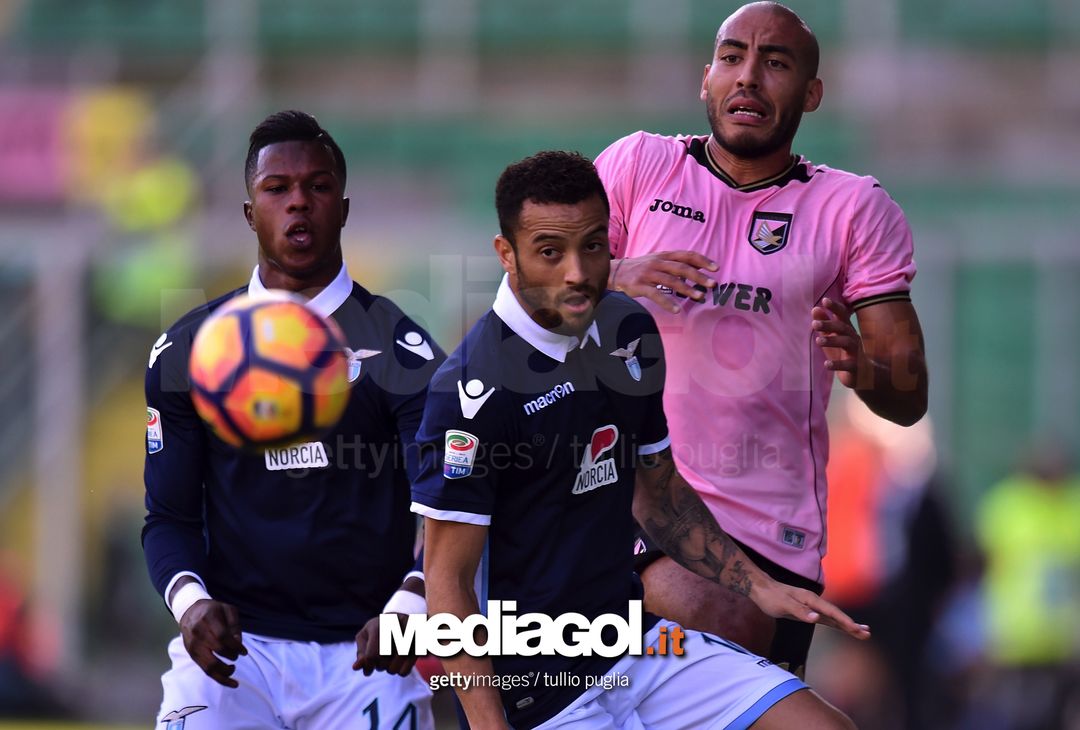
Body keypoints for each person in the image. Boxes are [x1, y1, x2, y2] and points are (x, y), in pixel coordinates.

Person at [411, 150, 868, 729]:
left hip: (634, 648)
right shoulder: (472, 391)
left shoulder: (625, 328)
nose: (577, 272)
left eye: (593, 246)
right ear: (507, 255)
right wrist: (487, 723)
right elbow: (447, 582)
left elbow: (659, 494)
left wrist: (760, 587)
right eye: (550, 252)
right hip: (540, 690)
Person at [594, 1, 928, 677]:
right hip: (626, 497)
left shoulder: (851, 208)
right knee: (703, 619)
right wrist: (615, 274)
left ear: (811, 94)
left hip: (768, 530)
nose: (748, 77)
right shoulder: (637, 166)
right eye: (732, 57)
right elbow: (529, 300)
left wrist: (862, 369)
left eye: (775, 64)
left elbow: (908, 394)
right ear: (706, 78)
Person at [142, 110, 441, 728]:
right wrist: (192, 604)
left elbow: (443, 508)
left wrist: (409, 605)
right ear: (250, 212)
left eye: (319, 186)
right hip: (233, 657)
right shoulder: (189, 350)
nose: (298, 204)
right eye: (277, 189)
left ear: (345, 206)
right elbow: (168, 517)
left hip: (367, 657)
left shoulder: (403, 350)